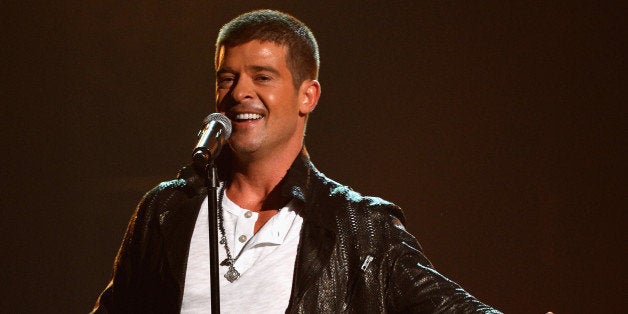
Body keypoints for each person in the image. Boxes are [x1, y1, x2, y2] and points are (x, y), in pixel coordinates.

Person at [92, 9, 500, 313]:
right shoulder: (166, 211)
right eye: (227, 78)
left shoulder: (360, 228)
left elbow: (450, 308)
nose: (239, 93)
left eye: (262, 77)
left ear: (308, 96)